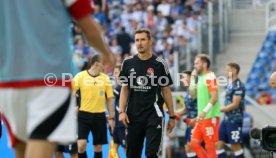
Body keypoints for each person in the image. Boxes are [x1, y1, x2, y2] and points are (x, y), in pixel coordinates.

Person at [0, 1, 114, 158]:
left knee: (23, 152)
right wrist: (106, 53)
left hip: (8, 83)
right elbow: (89, 28)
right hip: (49, 83)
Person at [118, 28, 176, 158]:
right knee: (132, 154)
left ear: (150, 42)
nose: (139, 43)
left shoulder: (160, 64)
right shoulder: (127, 63)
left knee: (151, 154)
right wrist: (122, 111)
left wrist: (172, 117)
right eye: (137, 40)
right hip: (133, 116)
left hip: (154, 115)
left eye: (143, 39)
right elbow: (124, 89)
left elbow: (166, 91)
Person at [72, 54, 115, 158]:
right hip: (83, 115)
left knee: (98, 148)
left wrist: (112, 118)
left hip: (99, 116)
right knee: (81, 145)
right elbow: (70, 94)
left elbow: (109, 100)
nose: (105, 66)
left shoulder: (105, 79)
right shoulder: (80, 76)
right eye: (103, 64)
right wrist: (73, 106)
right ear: (96, 64)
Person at [190, 54, 221, 158]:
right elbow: (192, 95)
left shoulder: (210, 77)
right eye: (194, 63)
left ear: (205, 64)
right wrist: (192, 79)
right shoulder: (200, 78)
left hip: (210, 116)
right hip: (202, 118)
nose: (194, 66)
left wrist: (204, 112)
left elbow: (214, 97)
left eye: (197, 63)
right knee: (194, 143)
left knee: (209, 146)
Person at [216, 63, 246, 158]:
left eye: (227, 69)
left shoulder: (238, 85)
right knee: (217, 145)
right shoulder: (229, 84)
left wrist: (218, 110)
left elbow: (235, 104)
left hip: (234, 120)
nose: (225, 72)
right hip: (226, 120)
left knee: (235, 146)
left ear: (234, 70)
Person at [179, 70, 198, 158]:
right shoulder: (187, 91)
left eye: (184, 77)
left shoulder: (197, 89)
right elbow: (186, 109)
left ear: (191, 77)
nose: (182, 80)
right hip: (189, 123)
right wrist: (175, 113)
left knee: (192, 147)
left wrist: (197, 119)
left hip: (196, 122)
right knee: (187, 147)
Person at [112, 64, 127, 155]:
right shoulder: (118, 86)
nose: (114, 75)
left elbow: (109, 96)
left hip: (123, 123)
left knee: (126, 147)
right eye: (114, 73)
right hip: (117, 123)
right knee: (115, 147)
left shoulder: (122, 86)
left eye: (116, 73)